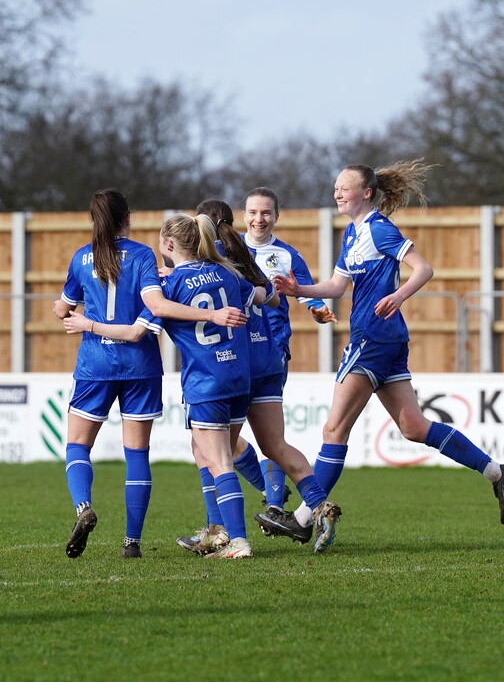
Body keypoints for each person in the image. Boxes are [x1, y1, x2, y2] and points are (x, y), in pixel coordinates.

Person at [261, 161, 504, 542]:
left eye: (344, 188)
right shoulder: (352, 233)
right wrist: (298, 290)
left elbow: (423, 269)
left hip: (372, 339)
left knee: (334, 429)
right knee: (414, 427)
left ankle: (302, 519)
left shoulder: (379, 229)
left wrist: (398, 296)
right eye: (335, 187)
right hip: (386, 341)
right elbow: (337, 286)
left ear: (366, 193)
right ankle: (499, 473)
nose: (337, 193)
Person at [66, 213, 283, 559]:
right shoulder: (227, 272)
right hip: (239, 378)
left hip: (205, 382)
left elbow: (135, 332)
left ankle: (238, 541)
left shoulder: (168, 290)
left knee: (219, 461)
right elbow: (263, 295)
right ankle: (225, 526)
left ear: (168, 245)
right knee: (213, 454)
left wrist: (88, 324)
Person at [174, 199, 341, 555]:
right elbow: (276, 300)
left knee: (210, 452)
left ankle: (220, 531)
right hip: (268, 358)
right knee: (273, 444)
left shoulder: (210, 261)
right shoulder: (244, 254)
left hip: (233, 365)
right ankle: (317, 503)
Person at [238, 187, 336, 509]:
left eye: (266, 212)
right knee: (225, 436)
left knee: (270, 437)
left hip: (271, 350)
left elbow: (305, 292)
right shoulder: (228, 249)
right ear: (244, 215)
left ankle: (274, 506)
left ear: (277, 216)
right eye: (253, 212)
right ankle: (271, 494)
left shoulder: (287, 255)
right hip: (234, 351)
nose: (259, 219)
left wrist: (319, 311)